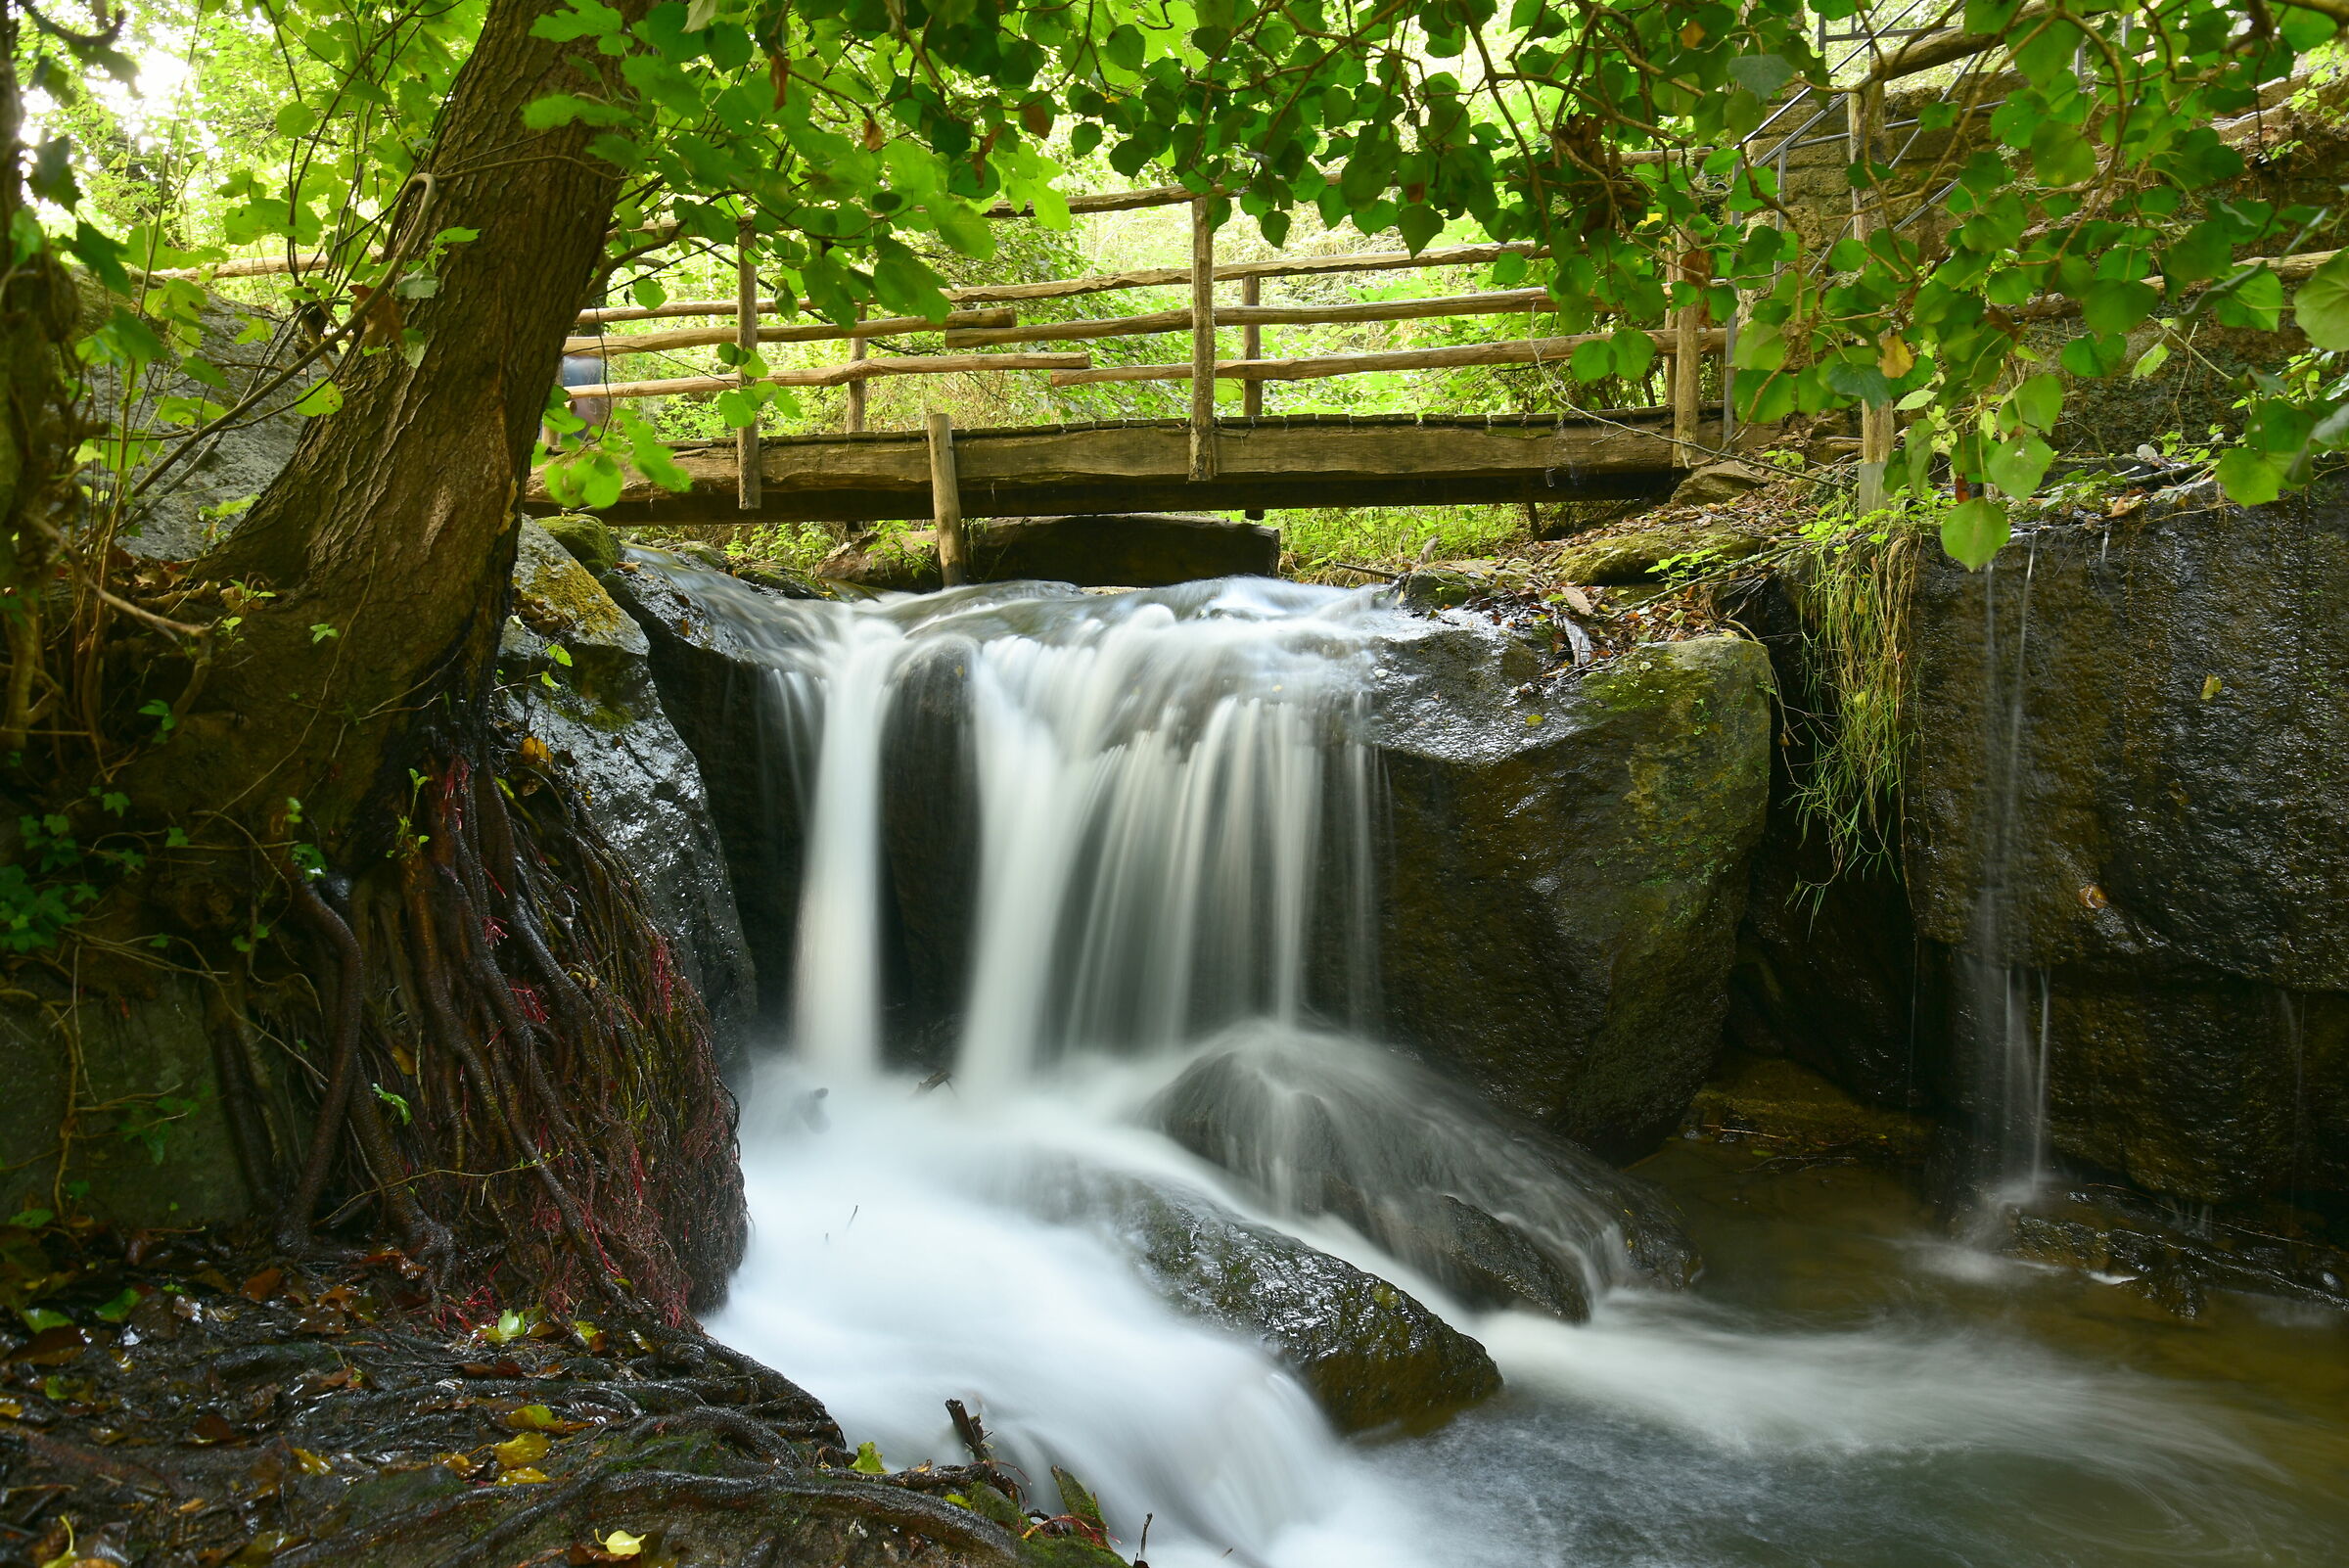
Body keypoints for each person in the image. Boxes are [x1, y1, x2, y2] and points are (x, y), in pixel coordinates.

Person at [545, 352, 614, 448]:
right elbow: (582, 411)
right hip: (563, 441)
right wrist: (602, 437)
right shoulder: (572, 370)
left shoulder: (564, 364)